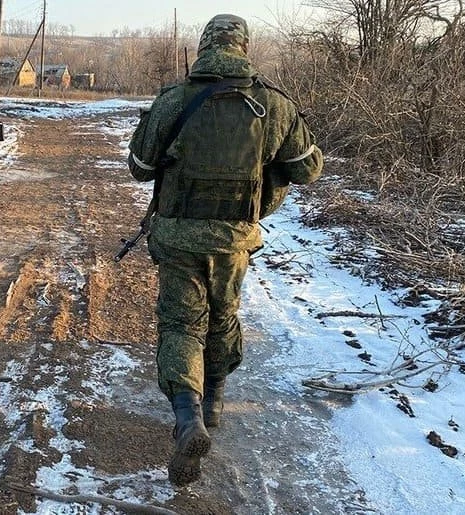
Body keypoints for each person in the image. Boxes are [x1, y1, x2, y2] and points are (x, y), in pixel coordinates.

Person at [127, 14, 323, 486]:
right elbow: (307, 170)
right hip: (234, 238)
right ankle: (214, 398)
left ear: (204, 47)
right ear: (244, 48)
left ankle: (187, 415)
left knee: (181, 323)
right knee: (223, 313)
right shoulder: (274, 104)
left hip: (178, 235)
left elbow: (139, 166)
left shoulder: (174, 99)